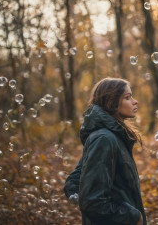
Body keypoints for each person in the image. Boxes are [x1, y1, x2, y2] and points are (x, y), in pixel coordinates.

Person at [64, 78, 146, 225]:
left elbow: (74, 180)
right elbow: (93, 202)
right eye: (127, 97)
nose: (135, 101)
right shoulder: (104, 139)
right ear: (112, 102)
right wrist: (133, 217)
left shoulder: (113, 136)